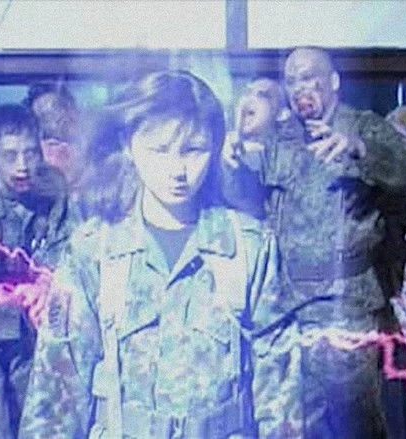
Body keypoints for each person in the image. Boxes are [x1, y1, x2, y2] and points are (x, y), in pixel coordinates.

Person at [19, 70, 288, 438]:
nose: (177, 169)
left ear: (214, 146)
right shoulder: (94, 250)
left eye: (193, 150)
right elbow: (56, 393)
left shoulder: (248, 248)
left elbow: (280, 392)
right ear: (129, 145)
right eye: (159, 150)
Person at [221, 47, 406, 437]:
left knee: (356, 425)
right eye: (291, 81)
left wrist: (359, 149)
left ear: (333, 82)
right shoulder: (279, 139)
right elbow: (246, 200)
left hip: (346, 307)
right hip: (288, 307)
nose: (300, 88)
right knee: (296, 425)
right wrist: (230, 165)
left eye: (309, 77)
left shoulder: (362, 126)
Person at [0, 104, 71, 438]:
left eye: (30, 153)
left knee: (35, 417)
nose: (22, 166)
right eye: (10, 155)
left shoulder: (53, 191)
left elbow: (65, 247)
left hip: (33, 324)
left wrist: (48, 280)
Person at [24, 80, 87, 192]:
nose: (57, 118)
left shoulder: (94, 137)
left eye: (58, 107)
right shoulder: (40, 154)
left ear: (72, 109)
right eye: (45, 115)